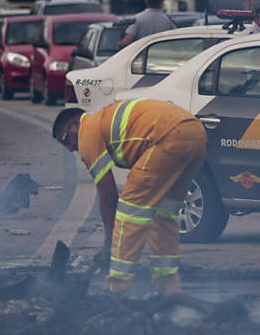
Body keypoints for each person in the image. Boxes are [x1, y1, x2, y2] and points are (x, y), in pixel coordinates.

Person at [51, 99, 206, 293]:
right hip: (196, 134)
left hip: (167, 137)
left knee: (129, 211)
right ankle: (168, 287)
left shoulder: (87, 130)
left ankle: (117, 288)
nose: (70, 148)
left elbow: (108, 195)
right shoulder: (103, 121)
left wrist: (109, 244)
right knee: (164, 214)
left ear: (75, 125)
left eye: (66, 139)